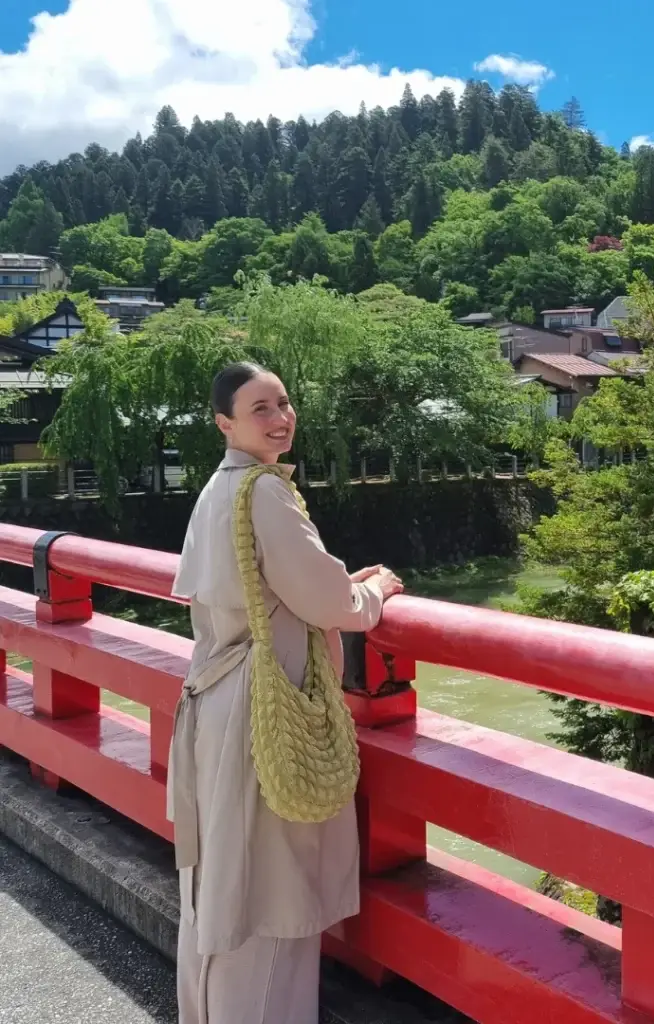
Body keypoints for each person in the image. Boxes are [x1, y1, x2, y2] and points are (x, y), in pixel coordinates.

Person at [167, 361, 403, 1024]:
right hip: (261, 709)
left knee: (220, 887)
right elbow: (329, 600)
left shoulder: (219, 490)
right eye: (259, 409)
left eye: (283, 402)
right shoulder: (265, 492)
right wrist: (372, 593)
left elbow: (272, 589)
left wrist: (328, 586)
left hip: (215, 702)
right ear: (226, 424)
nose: (279, 418)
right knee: (271, 894)